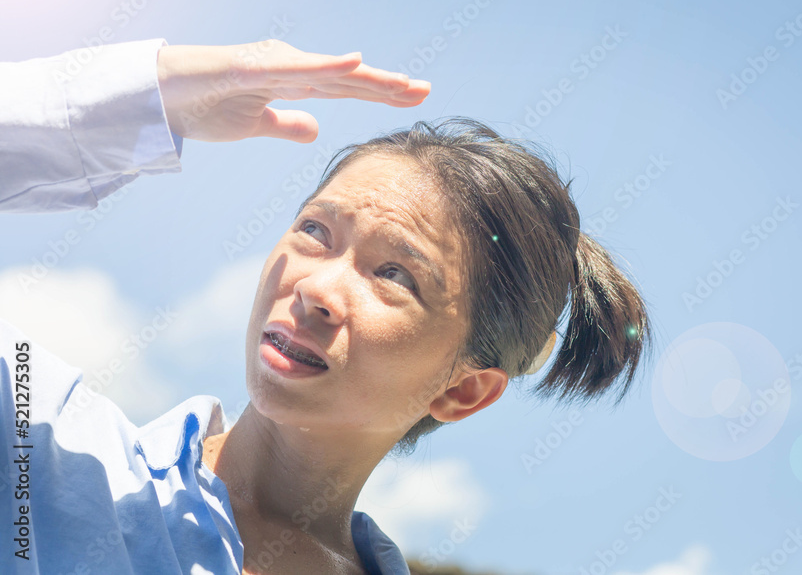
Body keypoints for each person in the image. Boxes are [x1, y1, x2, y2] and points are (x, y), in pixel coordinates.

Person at [0, 37, 653, 574]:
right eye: (315, 230)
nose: (315, 289)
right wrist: (150, 98)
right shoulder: (46, 451)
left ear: (464, 391)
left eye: (395, 273)